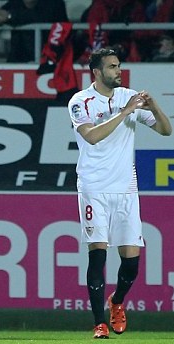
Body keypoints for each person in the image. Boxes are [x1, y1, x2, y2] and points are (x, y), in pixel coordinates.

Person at [67, 48, 172, 339]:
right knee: (97, 254)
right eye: (112, 67)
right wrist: (126, 113)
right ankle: (99, 322)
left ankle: (117, 301)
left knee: (131, 260)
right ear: (97, 72)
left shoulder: (128, 95)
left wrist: (153, 107)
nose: (118, 71)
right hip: (94, 186)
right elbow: (92, 136)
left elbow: (166, 131)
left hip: (126, 187)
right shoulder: (81, 101)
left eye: (119, 66)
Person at [0, 0, 68, 62]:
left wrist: (10, 16)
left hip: (52, 60)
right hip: (18, 60)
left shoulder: (56, 3)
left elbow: (39, 17)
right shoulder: (15, 3)